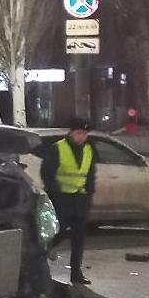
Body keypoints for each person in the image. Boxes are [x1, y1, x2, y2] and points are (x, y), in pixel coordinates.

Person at [40, 117, 98, 285]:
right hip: (61, 199)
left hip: (80, 199)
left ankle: (76, 273)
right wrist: (55, 193)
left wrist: (89, 193)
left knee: (78, 238)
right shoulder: (58, 148)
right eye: (79, 133)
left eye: (85, 134)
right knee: (56, 233)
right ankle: (41, 256)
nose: (82, 137)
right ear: (71, 132)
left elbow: (91, 174)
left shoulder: (89, 149)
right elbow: (47, 173)